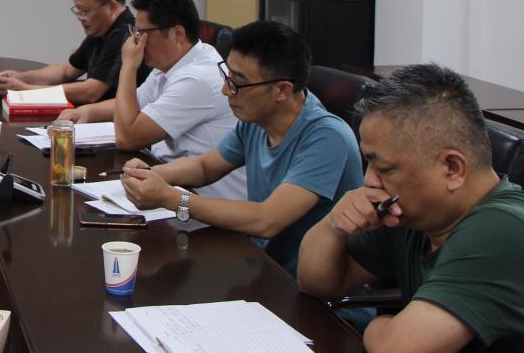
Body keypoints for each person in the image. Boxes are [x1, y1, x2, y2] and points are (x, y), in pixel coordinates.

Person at [298, 64, 524, 352]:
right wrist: (335, 224)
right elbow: (314, 282)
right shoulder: (416, 212)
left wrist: (378, 327)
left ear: (452, 168)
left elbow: (395, 349)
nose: (369, 181)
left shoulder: (500, 230)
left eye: (384, 168)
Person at [119, 20, 362, 274]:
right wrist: (148, 173)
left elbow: (267, 219)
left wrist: (172, 199)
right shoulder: (258, 119)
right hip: (262, 265)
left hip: (307, 284)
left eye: (237, 83)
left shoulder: (327, 138)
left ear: (282, 90)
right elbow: (204, 167)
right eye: (227, 77)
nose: (226, 91)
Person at [60, 0, 245, 199]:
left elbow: (128, 137)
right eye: (135, 31)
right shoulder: (172, 63)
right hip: (169, 181)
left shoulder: (197, 79)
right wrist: (88, 112)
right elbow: (133, 103)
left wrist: (128, 66)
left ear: (177, 34)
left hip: (200, 201)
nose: (136, 40)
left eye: (142, 32)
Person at [0, 0, 149, 105]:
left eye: (85, 11)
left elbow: (91, 92)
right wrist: (22, 77)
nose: (80, 17)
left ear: (112, 7)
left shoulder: (125, 35)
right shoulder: (101, 30)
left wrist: (25, 90)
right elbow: (66, 71)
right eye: (77, 10)